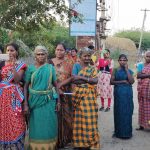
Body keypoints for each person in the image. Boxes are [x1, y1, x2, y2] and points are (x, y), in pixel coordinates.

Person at [59, 47, 100, 149]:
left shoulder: (93, 68)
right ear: (80, 57)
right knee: (79, 119)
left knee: (90, 120)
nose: (87, 58)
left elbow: (95, 81)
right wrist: (88, 80)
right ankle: (80, 143)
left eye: (88, 56)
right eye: (84, 56)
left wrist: (81, 78)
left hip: (89, 97)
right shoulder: (76, 66)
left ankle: (90, 143)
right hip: (79, 96)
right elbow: (74, 80)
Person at [24, 46, 60, 150]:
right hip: (34, 103)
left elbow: (56, 85)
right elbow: (26, 86)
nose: (40, 56)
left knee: (49, 126)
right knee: (36, 127)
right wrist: (26, 104)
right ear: (35, 56)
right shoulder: (30, 68)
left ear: (46, 55)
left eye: (42, 54)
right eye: (38, 54)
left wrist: (58, 102)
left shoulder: (50, 68)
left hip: (48, 101)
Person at [0, 42, 27, 149]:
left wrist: (13, 66)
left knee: (16, 119)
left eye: (12, 50)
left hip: (13, 97)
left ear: (17, 52)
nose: (10, 52)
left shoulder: (21, 64)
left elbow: (17, 80)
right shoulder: (2, 63)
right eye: (8, 50)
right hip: (2, 96)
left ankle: (15, 146)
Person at [52, 43, 73, 148]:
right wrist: (56, 87)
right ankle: (54, 141)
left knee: (66, 117)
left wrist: (61, 85)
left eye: (61, 50)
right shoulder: (50, 62)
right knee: (54, 117)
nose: (59, 52)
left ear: (65, 51)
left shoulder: (70, 62)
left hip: (66, 93)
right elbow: (48, 76)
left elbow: (72, 77)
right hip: (52, 93)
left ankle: (66, 140)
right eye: (57, 49)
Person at [110, 54, 134, 139]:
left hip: (127, 94)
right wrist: (123, 81)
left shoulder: (130, 71)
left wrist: (126, 69)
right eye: (121, 60)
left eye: (124, 60)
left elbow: (131, 81)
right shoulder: (115, 70)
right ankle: (118, 132)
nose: (123, 62)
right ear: (118, 61)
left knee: (127, 112)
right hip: (118, 94)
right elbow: (111, 82)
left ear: (127, 61)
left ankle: (127, 133)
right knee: (118, 112)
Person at [136, 51, 150, 130]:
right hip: (142, 89)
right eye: (147, 56)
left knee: (148, 109)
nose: (148, 58)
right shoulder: (141, 65)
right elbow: (138, 75)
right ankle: (141, 125)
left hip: (148, 91)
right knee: (141, 107)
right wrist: (148, 76)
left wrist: (144, 76)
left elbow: (141, 75)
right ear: (144, 57)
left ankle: (149, 125)